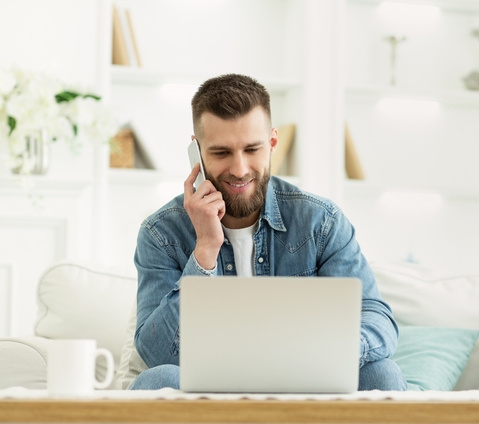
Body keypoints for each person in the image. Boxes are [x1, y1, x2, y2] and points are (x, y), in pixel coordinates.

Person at [129, 73, 406, 391]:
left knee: (382, 374)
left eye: (252, 149)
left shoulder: (321, 221)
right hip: (210, 393)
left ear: (272, 143)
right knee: (157, 381)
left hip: (306, 383)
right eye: (221, 153)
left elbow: (376, 319)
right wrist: (205, 249)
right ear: (198, 153)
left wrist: (325, 355)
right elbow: (157, 354)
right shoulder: (161, 233)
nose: (240, 169)